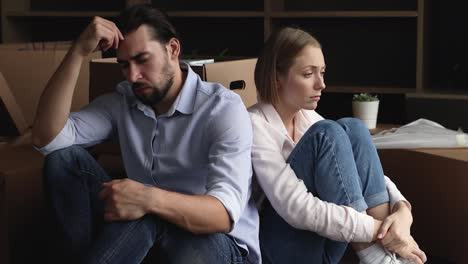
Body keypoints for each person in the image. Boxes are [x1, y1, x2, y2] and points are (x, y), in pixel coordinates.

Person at [31, 4, 260, 264]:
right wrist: (78, 52)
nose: (133, 76)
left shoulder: (222, 109)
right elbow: (46, 139)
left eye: (142, 60)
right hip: (144, 233)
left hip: (219, 244)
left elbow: (224, 214)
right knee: (63, 160)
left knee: (156, 221)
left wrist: (147, 198)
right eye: (124, 65)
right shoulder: (123, 101)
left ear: (173, 49)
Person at [248, 27, 427, 264]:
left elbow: (358, 172)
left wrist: (403, 211)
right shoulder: (253, 124)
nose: (321, 84)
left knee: (353, 128)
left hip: (320, 242)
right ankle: (376, 254)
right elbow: (296, 208)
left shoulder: (307, 118)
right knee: (329, 132)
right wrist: (380, 231)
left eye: (322, 72)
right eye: (308, 74)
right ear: (277, 77)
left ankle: (386, 256)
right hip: (279, 248)